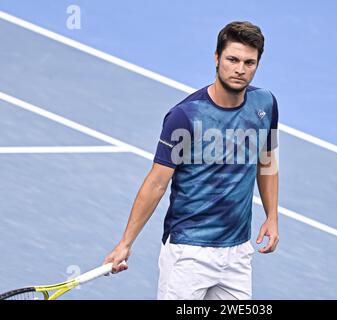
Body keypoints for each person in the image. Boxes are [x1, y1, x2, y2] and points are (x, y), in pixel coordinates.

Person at [103, 21, 279, 300]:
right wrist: (126, 242)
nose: (240, 69)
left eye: (249, 62)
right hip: (189, 253)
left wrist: (271, 215)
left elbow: (267, 159)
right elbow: (157, 183)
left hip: (237, 253)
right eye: (232, 59)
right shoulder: (185, 116)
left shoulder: (265, 104)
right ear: (217, 58)